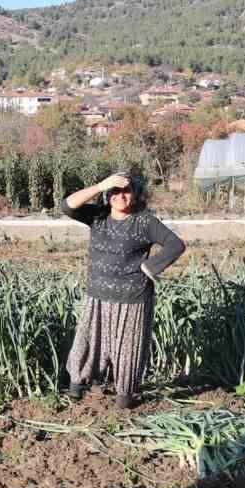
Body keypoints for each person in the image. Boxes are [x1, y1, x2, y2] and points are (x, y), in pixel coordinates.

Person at [61, 172, 185, 408]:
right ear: (107, 196)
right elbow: (67, 206)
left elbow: (175, 244)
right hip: (97, 297)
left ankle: (124, 399)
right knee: (87, 344)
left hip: (133, 298)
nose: (120, 196)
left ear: (136, 195)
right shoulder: (97, 217)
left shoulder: (144, 222)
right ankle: (77, 388)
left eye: (126, 190)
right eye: (115, 191)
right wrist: (100, 185)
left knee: (127, 351)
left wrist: (150, 267)